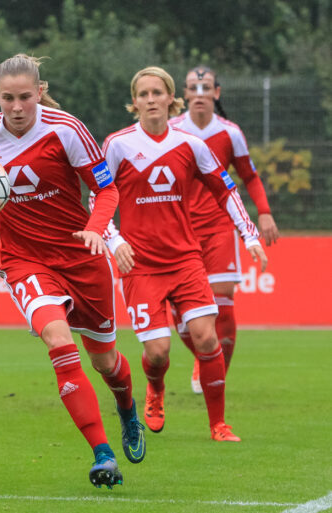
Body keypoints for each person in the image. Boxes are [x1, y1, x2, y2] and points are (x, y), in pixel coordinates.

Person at [0, 54, 145, 489]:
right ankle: (102, 454)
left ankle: (127, 410)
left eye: (25, 97)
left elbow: (106, 188)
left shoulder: (65, 129)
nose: (16, 107)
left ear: (40, 92)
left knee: (106, 362)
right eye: (8, 98)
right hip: (24, 260)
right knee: (58, 339)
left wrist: (94, 230)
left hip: (81, 259)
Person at [100, 66, 268, 443]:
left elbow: (226, 190)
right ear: (134, 102)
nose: (150, 100)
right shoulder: (117, 145)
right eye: (142, 94)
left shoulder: (191, 145)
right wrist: (115, 242)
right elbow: (98, 198)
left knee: (207, 339)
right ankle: (155, 389)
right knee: (158, 352)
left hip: (186, 260)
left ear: (170, 98)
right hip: (141, 265)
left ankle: (218, 425)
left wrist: (249, 234)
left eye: (157, 92)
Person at [170, 65, 279, 393]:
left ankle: (215, 373)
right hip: (179, 230)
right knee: (180, 309)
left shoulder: (230, 132)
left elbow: (249, 176)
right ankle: (204, 358)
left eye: (206, 88)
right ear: (185, 94)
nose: (199, 94)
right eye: (193, 88)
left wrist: (264, 213)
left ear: (216, 93)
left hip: (220, 227)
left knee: (224, 304)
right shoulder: (172, 130)